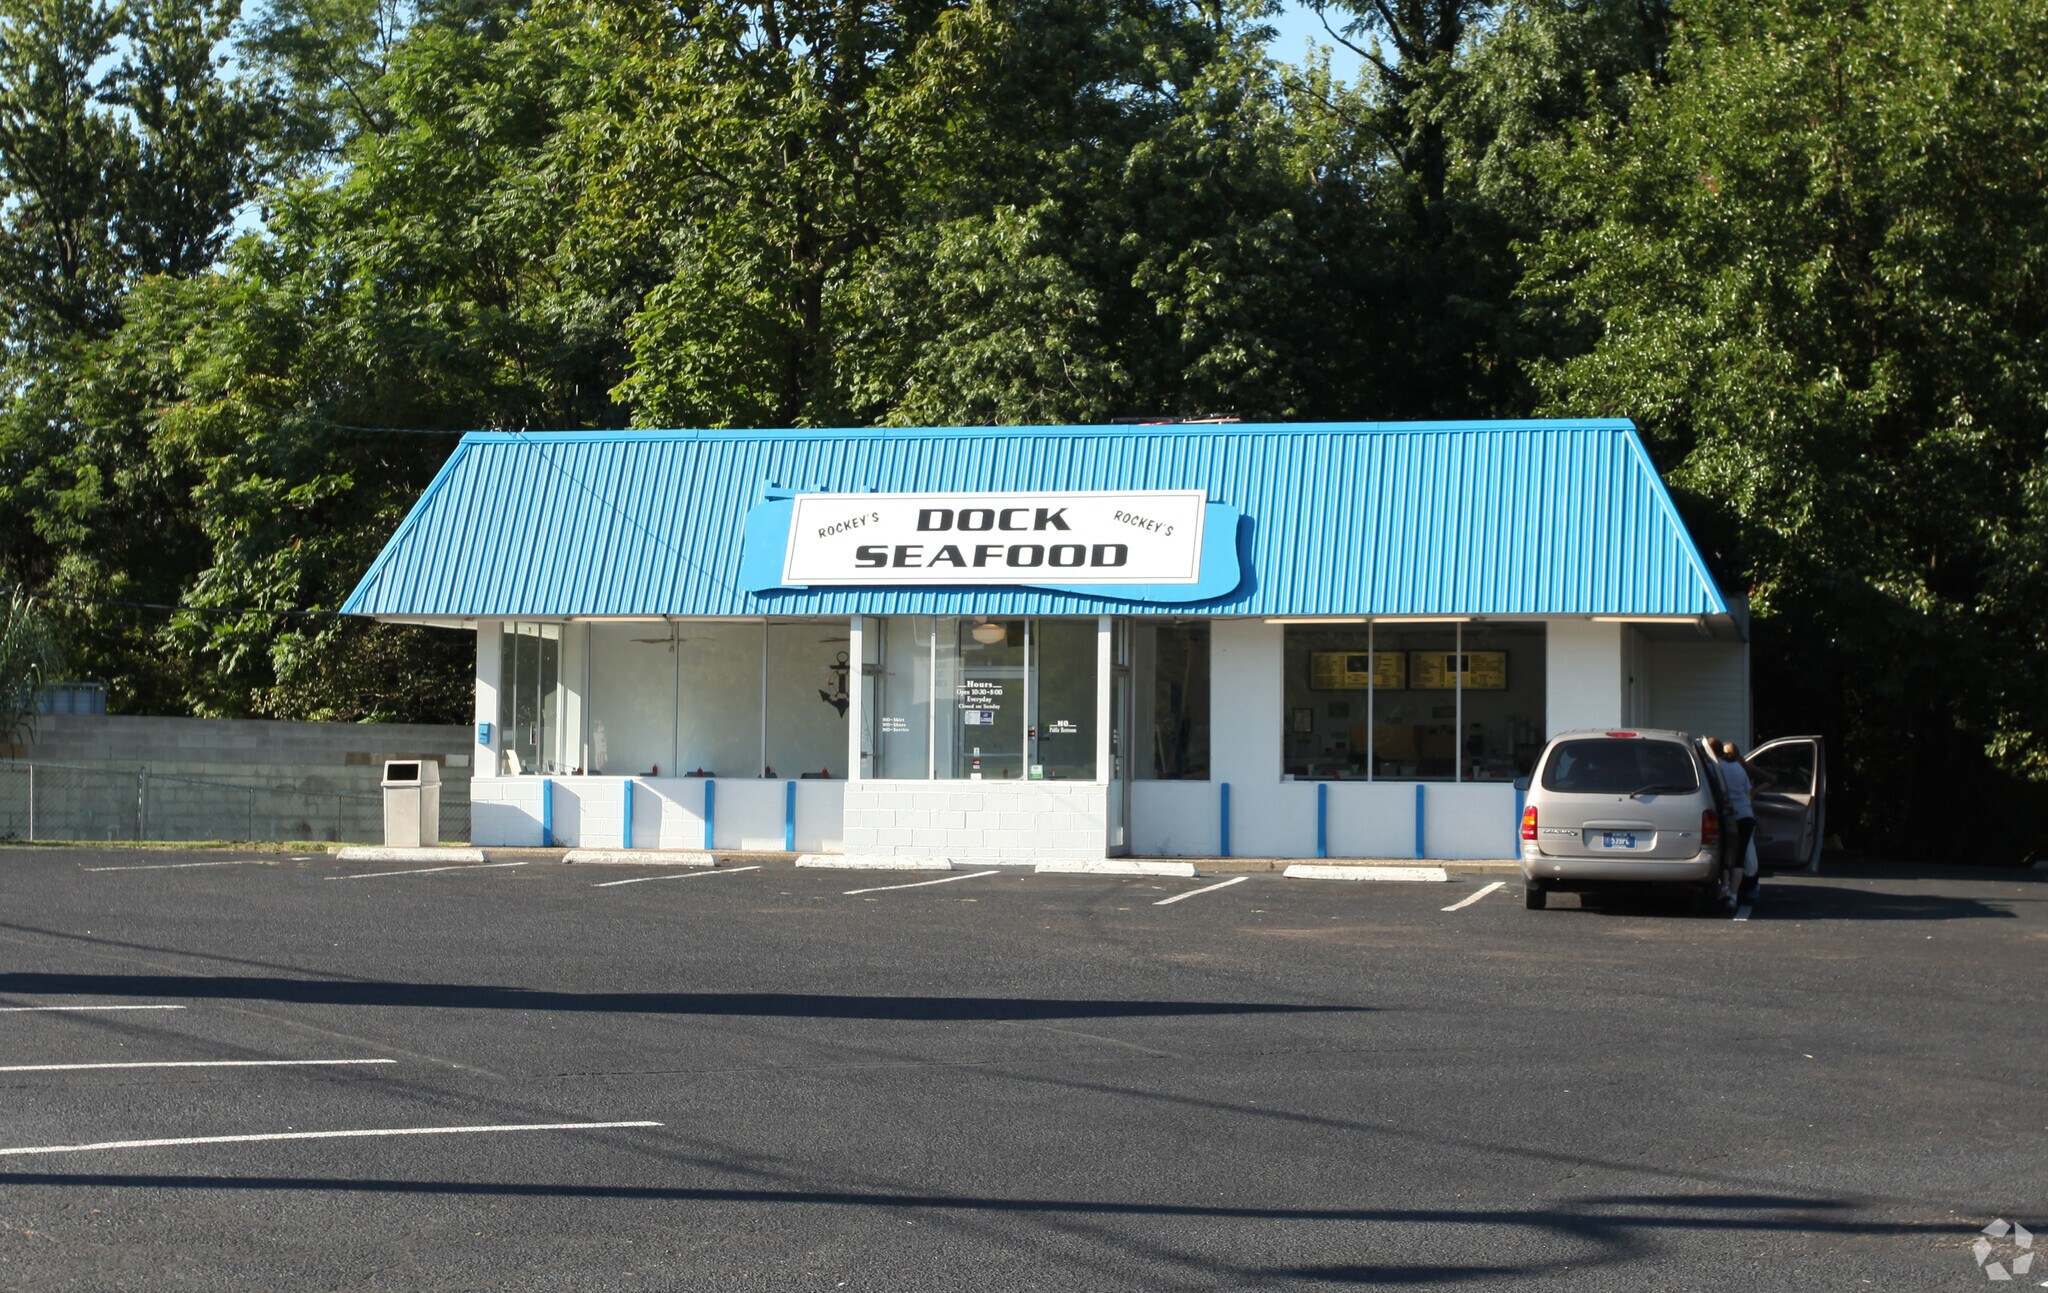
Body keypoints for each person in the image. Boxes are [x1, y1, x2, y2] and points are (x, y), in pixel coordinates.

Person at [1718, 740, 1760, 902]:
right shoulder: (1739, 768)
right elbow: (1748, 793)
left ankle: (1725, 888)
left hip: (1730, 816)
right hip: (1746, 816)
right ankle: (1735, 895)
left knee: (1726, 853)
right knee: (1740, 856)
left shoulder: (1717, 767)